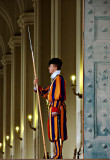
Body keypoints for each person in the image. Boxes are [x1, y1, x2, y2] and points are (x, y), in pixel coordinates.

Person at [34, 58, 67, 159]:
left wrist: (55, 109)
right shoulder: (54, 81)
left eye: (51, 66)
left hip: (57, 108)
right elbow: (46, 92)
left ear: (55, 68)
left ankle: (58, 154)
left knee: (58, 132)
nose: (49, 68)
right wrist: (36, 86)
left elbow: (58, 95)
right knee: (54, 132)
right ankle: (57, 153)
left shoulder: (59, 79)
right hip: (53, 108)